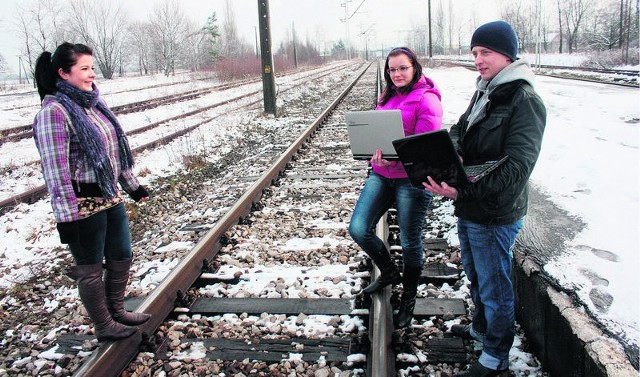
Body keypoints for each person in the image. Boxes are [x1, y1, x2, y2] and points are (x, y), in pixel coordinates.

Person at [422, 21, 546, 377]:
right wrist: (455, 153)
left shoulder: (524, 100)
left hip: (495, 211)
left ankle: (495, 356)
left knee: (495, 287)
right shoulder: (486, 90)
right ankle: (480, 329)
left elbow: (517, 168)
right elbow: (459, 127)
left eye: (485, 52)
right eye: (475, 53)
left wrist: (462, 190)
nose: (478, 59)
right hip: (472, 204)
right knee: (477, 276)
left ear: (507, 54)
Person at [33, 42, 151, 342]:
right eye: (84, 68)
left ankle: (117, 310)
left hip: (110, 197)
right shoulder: (54, 112)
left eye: (92, 68)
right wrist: (66, 216)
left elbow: (114, 152)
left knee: (122, 255)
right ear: (63, 73)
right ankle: (103, 324)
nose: (91, 74)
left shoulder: (95, 105)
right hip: (81, 206)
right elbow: (55, 170)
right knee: (90, 269)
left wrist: (133, 187)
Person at [349, 47, 443, 329]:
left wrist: (395, 154)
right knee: (358, 228)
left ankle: (409, 299)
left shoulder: (427, 100)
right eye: (392, 69)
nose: (397, 74)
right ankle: (389, 272)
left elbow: (427, 149)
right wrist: (371, 150)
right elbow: (379, 133)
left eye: (402, 68)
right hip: (382, 173)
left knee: (410, 242)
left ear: (415, 67)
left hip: (411, 180)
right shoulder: (387, 97)